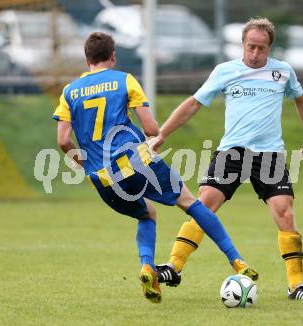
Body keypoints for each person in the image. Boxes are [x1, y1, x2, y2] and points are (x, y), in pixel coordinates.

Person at [52, 32, 257, 304]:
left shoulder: (69, 92)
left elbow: (63, 140)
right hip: (136, 162)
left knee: (147, 215)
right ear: (113, 56)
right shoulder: (124, 80)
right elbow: (151, 129)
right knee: (191, 203)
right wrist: (150, 140)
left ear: (87, 58)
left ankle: (148, 266)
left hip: (102, 178)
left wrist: (82, 162)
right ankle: (237, 261)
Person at [151, 18, 303, 300]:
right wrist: (162, 134)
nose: (255, 54)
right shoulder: (225, 71)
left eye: (262, 49)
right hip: (232, 152)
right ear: (242, 44)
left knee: (285, 211)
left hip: (268, 155)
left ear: (270, 48)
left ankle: (296, 285)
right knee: (204, 205)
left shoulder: (282, 72)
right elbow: (193, 103)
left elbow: (301, 100)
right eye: (251, 47)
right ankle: (174, 266)